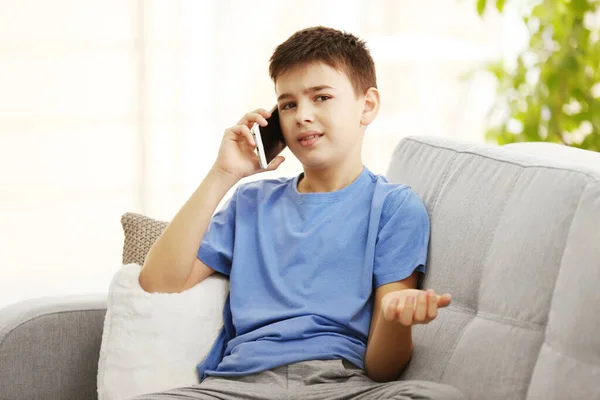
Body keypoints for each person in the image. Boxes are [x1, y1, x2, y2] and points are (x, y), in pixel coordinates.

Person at [133, 26, 464, 400]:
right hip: (238, 384)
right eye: (288, 104)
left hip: (341, 385)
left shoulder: (394, 207)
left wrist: (393, 316)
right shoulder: (251, 202)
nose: (302, 116)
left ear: (367, 105)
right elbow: (157, 282)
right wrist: (222, 175)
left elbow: (382, 367)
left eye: (321, 97)